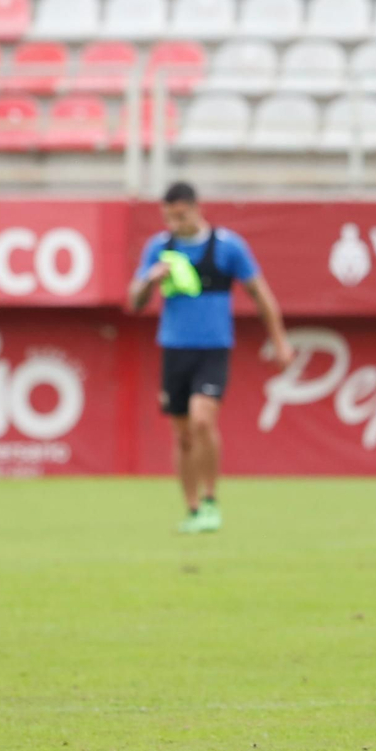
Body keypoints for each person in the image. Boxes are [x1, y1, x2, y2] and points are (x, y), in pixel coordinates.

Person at [127, 182, 295, 533]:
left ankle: (211, 500)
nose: (174, 222)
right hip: (174, 348)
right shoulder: (159, 249)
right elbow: (135, 302)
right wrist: (151, 280)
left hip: (213, 348)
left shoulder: (228, 247)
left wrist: (279, 341)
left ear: (196, 208)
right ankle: (191, 510)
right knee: (183, 434)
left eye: (180, 214)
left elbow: (261, 295)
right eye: (168, 216)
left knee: (203, 419)